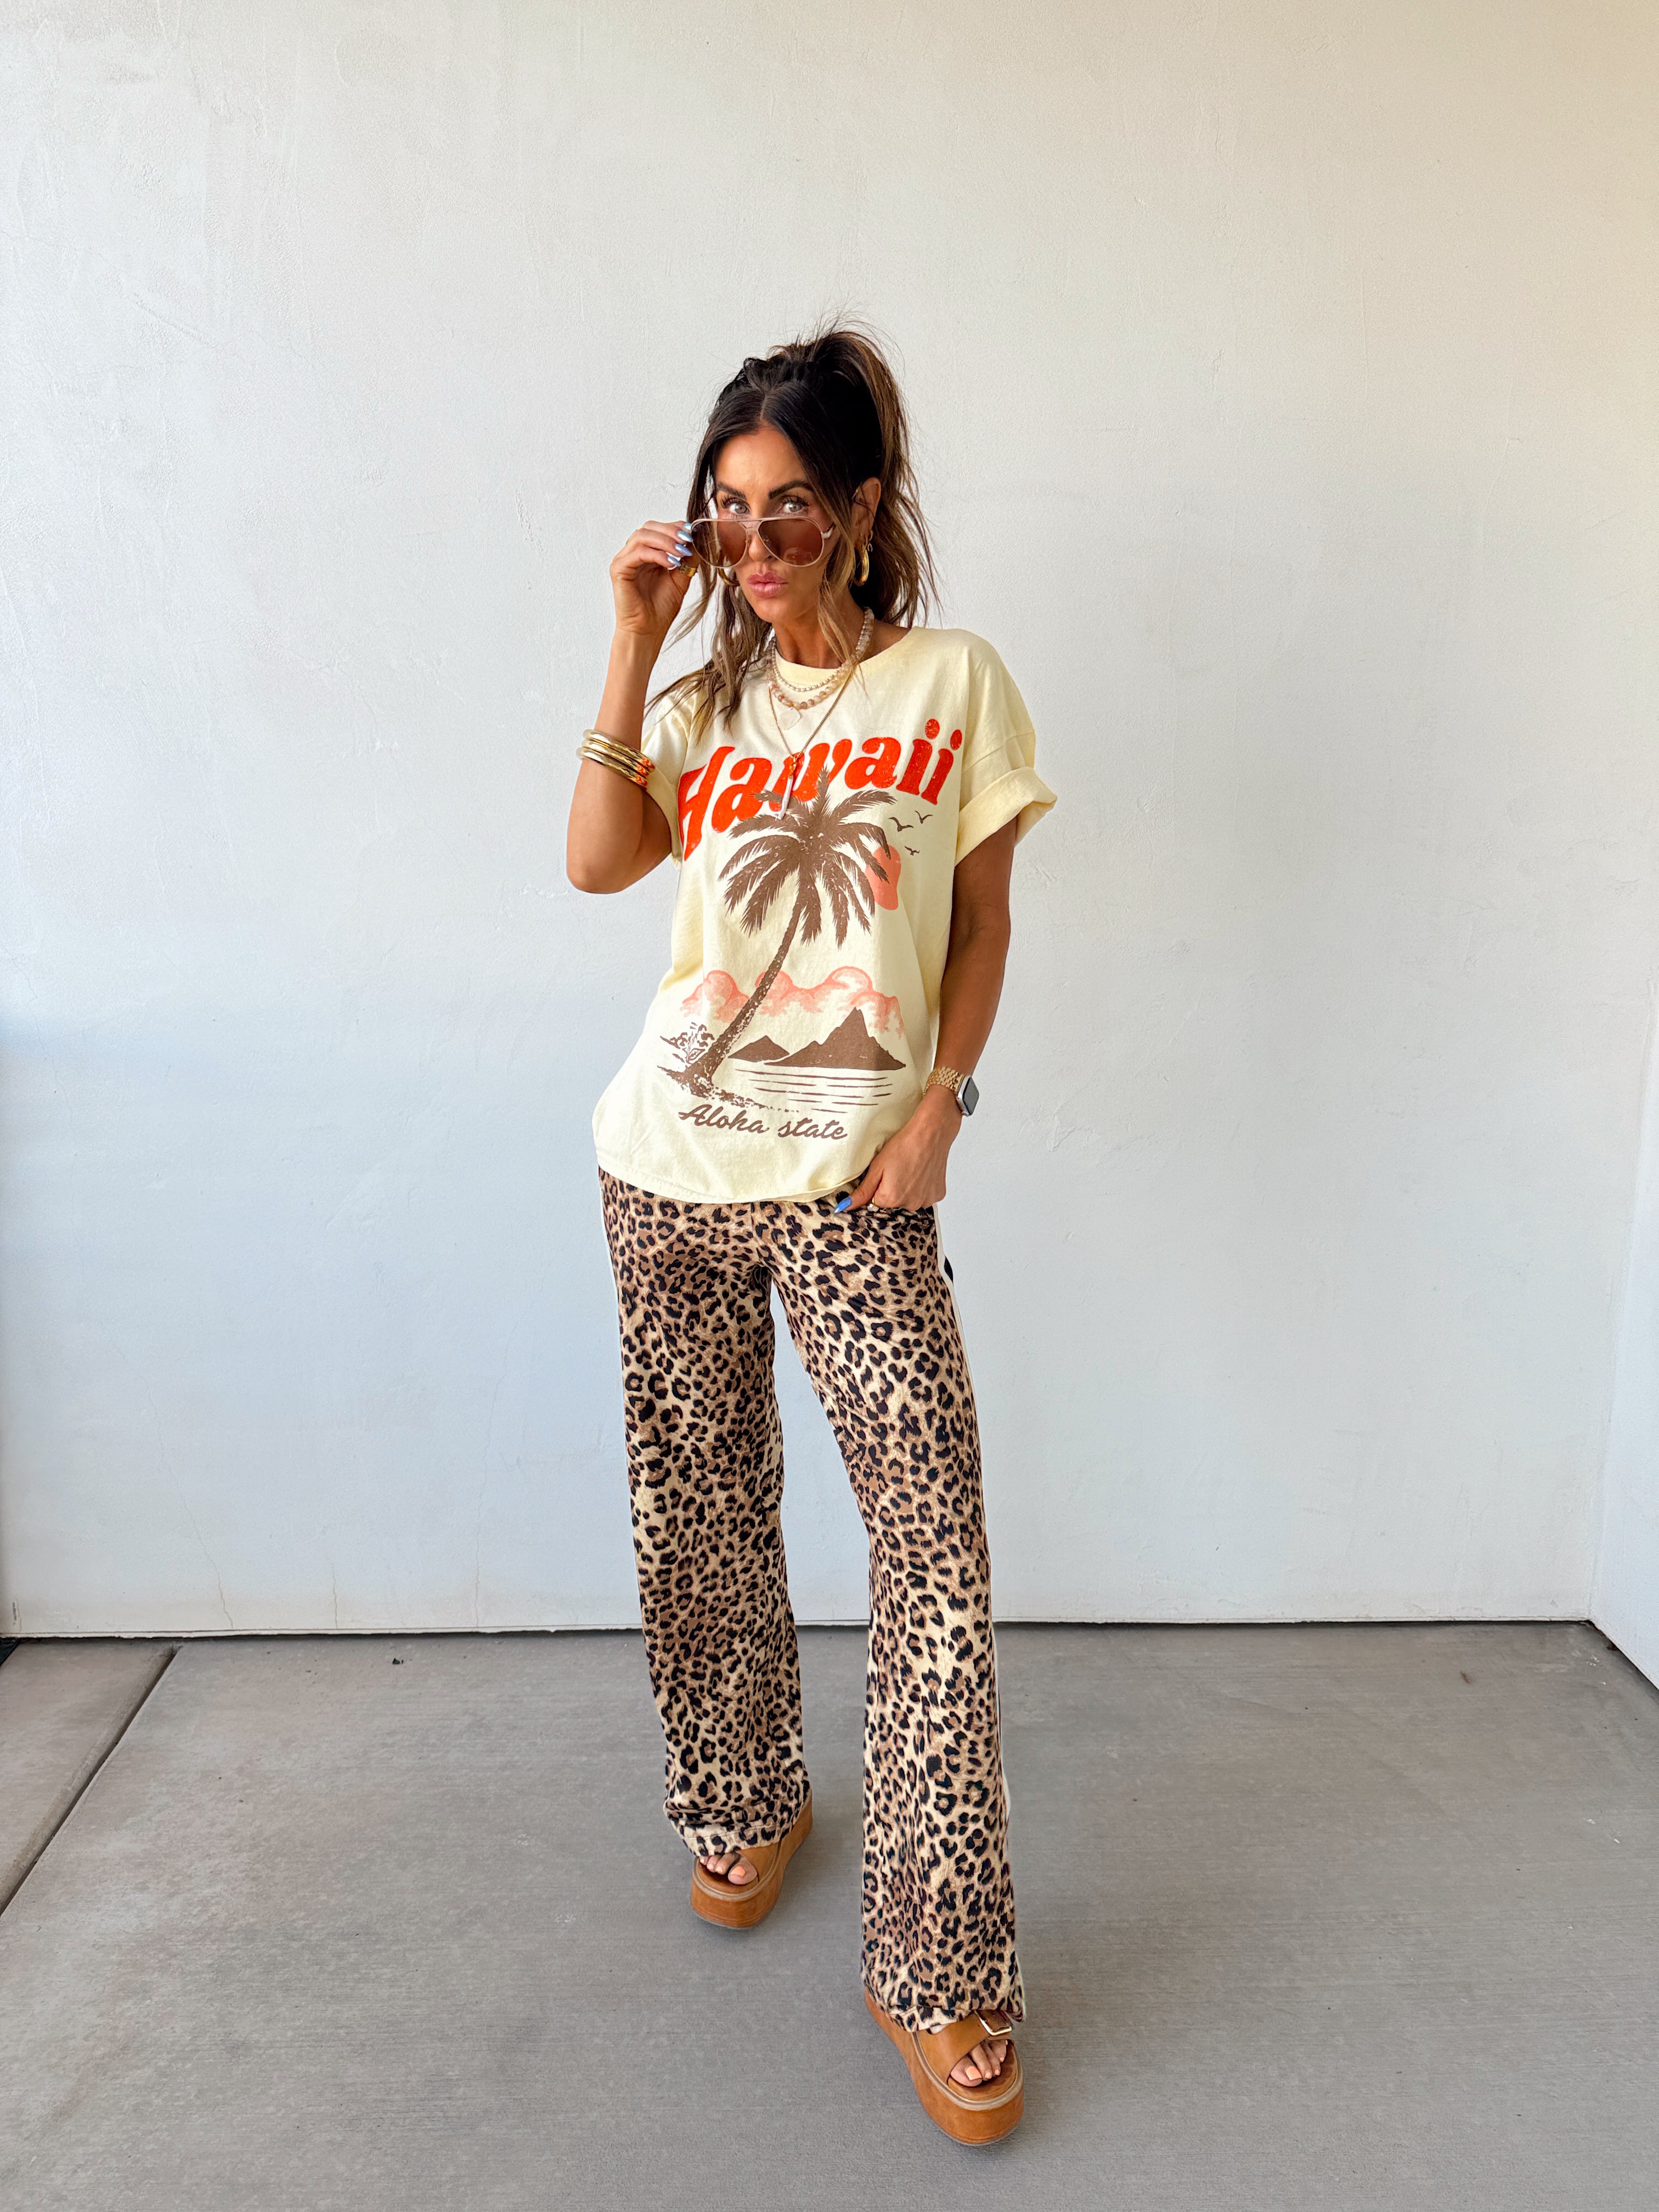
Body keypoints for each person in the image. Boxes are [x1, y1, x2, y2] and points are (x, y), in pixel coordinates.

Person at [566, 325, 1056, 2145]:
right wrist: (633, 634)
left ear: (855, 508)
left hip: (859, 1182)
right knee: (697, 1511)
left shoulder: (953, 682)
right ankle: (744, 1797)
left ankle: (938, 1967)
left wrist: (941, 1109)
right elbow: (596, 860)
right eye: (728, 510)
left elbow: (982, 924)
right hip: (667, 1164)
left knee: (930, 1549)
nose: (755, 544)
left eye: (787, 510)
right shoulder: (704, 703)